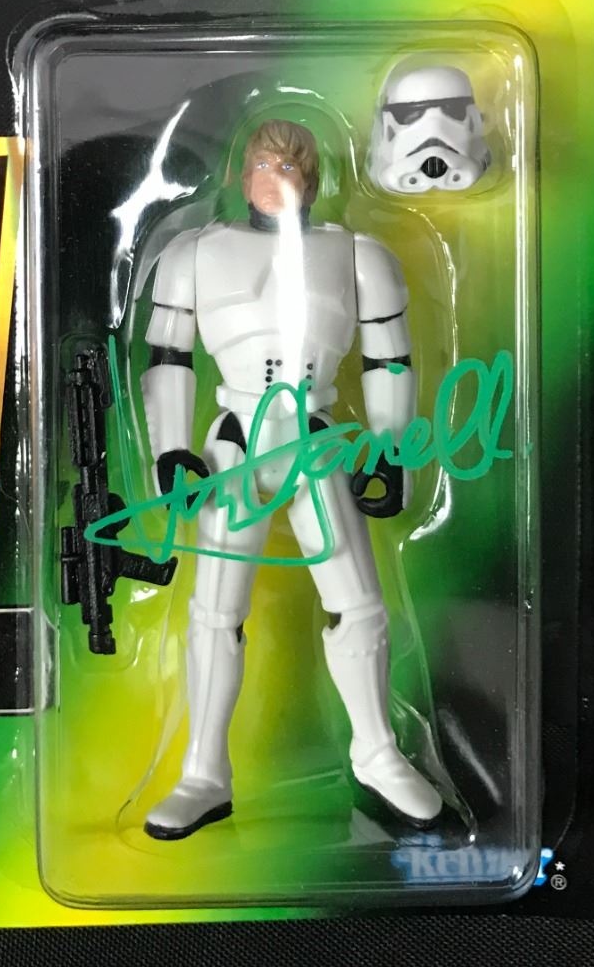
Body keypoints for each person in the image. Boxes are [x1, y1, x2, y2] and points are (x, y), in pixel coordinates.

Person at [139, 119, 443, 838]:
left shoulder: (359, 256)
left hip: (316, 440)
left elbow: (390, 360)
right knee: (214, 612)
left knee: (359, 605)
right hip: (235, 443)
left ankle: (376, 753)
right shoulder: (192, 254)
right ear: (242, 174)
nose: (277, 179)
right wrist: (168, 452)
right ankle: (203, 772)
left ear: (313, 178)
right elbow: (168, 358)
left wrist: (390, 450)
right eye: (265, 165)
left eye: (291, 167)